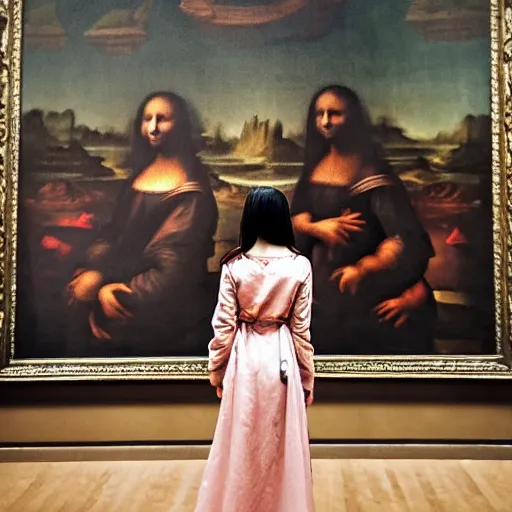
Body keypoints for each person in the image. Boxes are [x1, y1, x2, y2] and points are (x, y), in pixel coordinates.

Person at [66, 91, 218, 357]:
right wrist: (91, 270)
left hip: (162, 312)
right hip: (123, 284)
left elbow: (171, 276)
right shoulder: (139, 176)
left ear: (181, 125)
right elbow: (115, 236)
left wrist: (105, 288)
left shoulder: (192, 193)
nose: (153, 127)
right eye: (147, 119)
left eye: (163, 119)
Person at [291, 85, 437, 355]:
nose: (325, 121)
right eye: (319, 114)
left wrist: (366, 267)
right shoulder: (315, 166)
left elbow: (402, 237)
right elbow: (298, 214)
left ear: (353, 118)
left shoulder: (372, 174)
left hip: (362, 290)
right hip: (318, 292)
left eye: (335, 114)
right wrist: (316, 228)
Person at [195, 187, 315, 512]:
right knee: (281, 442)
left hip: (244, 358)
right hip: (282, 356)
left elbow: (223, 328)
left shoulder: (234, 267)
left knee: (241, 438)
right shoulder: (300, 266)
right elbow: (301, 331)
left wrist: (216, 372)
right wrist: (307, 378)